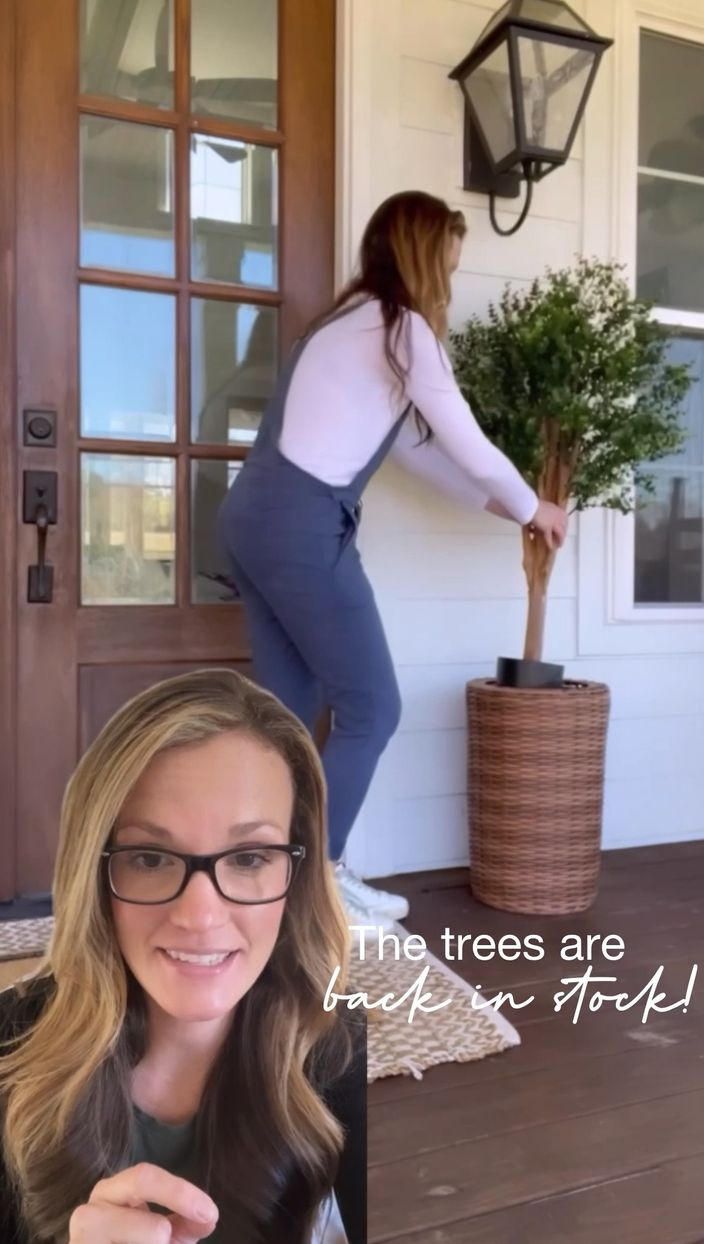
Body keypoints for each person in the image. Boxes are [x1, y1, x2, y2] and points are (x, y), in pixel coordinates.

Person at [218, 190, 568, 927]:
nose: (451, 276)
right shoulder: (402, 328)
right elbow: (464, 439)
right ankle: (320, 879)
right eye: (450, 258)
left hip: (253, 520)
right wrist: (537, 506)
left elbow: (417, 451)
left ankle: (263, 884)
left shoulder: (342, 326)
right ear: (422, 253)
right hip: (302, 526)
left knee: (289, 715)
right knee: (372, 705)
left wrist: (506, 507)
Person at [0, 669, 365, 1244]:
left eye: (248, 859)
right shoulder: (9, 1051)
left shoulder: (343, 1055)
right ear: (94, 874)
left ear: (295, 876)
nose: (200, 915)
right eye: (149, 858)